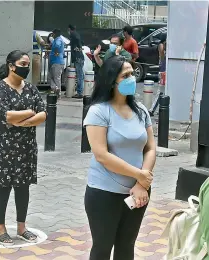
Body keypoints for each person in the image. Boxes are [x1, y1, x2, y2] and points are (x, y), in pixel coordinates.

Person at [83, 55, 156, 260]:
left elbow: (150, 148)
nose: (132, 78)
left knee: (126, 247)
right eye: (126, 75)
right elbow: (102, 155)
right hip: (104, 193)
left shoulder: (140, 110)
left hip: (137, 192)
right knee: (102, 248)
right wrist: (140, 175)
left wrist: (142, 183)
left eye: (132, 73)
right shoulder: (99, 111)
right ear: (111, 81)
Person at [0, 50, 47, 246]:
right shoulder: (0, 89)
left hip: (26, 147)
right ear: (11, 66)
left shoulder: (31, 89)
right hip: (5, 146)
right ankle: (1, 228)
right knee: (3, 186)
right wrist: (31, 114)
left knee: (23, 187)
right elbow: (6, 115)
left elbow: (44, 113)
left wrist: (24, 120)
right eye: (23, 64)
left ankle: (21, 227)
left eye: (27, 64)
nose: (27, 67)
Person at [149, 34, 167, 116]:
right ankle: (152, 109)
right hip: (163, 71)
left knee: (162, 92)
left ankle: (155, 109)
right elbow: (162, 56)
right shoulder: (161, 46)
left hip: (164, 70)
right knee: (160, 92)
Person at [68, 24, 84, 99]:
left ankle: (79, 92)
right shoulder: (76, 35)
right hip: (80, 57)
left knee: (79, 75)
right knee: (80, 75)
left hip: (78, 58)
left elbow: (76, 46)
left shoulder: (73, 35)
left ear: (69, 29)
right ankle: (79, 91)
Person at [49, 29, 65, 99]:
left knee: (56, 78)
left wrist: (55, 52)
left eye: (53, 34)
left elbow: (57, 46)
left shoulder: (58, 40)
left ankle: (58, 92)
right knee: (50, 77)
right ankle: (56, 89)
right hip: (56, 62)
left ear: (55, 34)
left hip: (57, 62)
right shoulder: (58, 39)